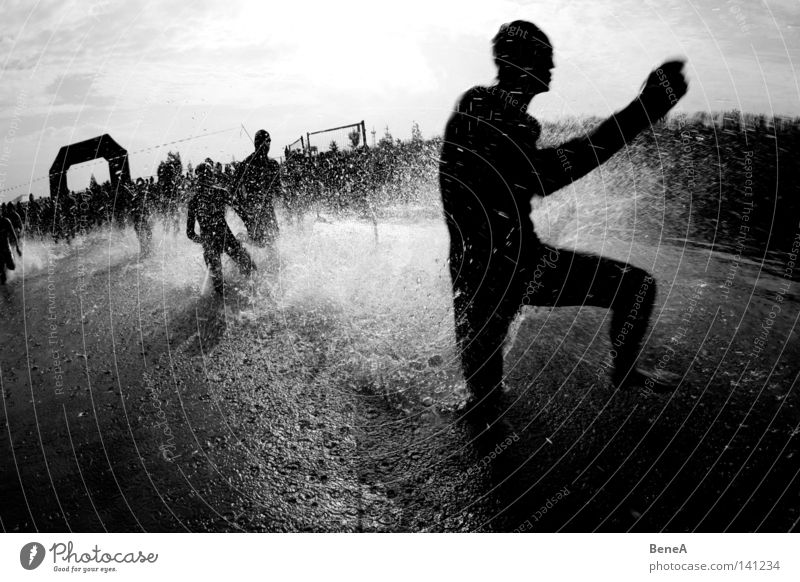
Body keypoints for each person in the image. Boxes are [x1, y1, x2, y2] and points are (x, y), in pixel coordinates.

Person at [440, 20, 688, 419]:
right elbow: (546, 175)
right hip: (483, 278)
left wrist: (644, 111)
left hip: (522, 263)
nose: (552, 69)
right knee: (485, 405)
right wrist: (643, 112)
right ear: (517, 63)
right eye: (544, 60)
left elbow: (534, 175)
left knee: (636, 286)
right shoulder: (482, 108)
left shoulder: (513, 119)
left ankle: (624, 373)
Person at [187, 162, 254, 295]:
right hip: (223, 239)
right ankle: (248, 297)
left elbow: (190, 234)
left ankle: (225, 308)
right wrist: (250, 225)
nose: (205, 179)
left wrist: (204, 240)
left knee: (243, 270)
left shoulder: (199, 199)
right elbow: (242, 213)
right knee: (246, 268)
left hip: (216, 242)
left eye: (206, 176)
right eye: (204, 176)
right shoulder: (217, 194)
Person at [233, 129, 281, 247]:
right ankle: (242, 238)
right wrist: (243, 207)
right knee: (259, 241)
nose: (267, 145)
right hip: (252, 207)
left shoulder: (273, 164)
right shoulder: (246, 164)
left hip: (267, 207)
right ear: (257, 143)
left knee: (274, 238)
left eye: (269, 142)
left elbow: (278, 188)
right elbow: (234, 189)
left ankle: (273, 263)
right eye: (265, 142)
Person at [0, 205, 22, 285]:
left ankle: (5, 267)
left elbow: (14, 234)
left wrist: (17, 248)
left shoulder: (6, 221)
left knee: (12, 267)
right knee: (2, 274)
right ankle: (6, 293)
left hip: (6, 246)